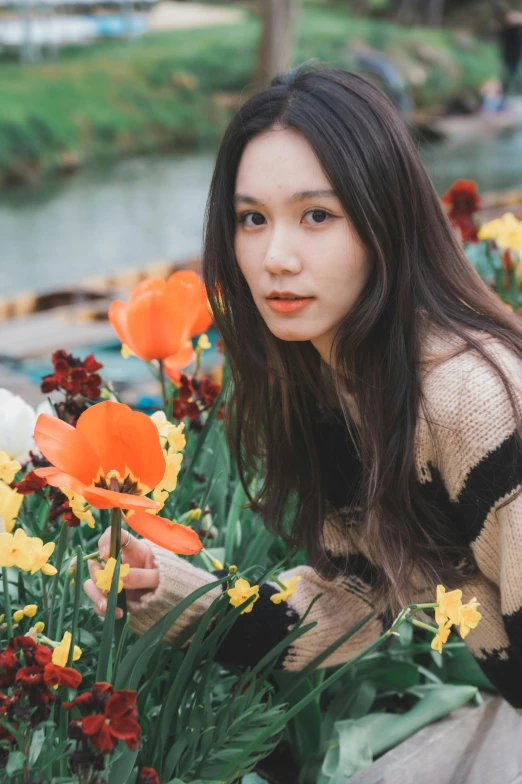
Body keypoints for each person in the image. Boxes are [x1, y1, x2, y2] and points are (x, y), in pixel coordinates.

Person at [85, 65, 522, 710]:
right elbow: (354, 598)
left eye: (317, 215)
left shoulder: (470, 398)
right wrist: (166, 591)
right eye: (253, 219)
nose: (275, 258)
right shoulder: (339, 382)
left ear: (384, 221)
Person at [498, 8, 522, 98]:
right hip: (507, 56)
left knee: (515, 75)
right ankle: (505, 94)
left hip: (515, 55)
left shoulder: (517, 29)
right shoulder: (506, 30)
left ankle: (517, 94)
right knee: (507, 76)